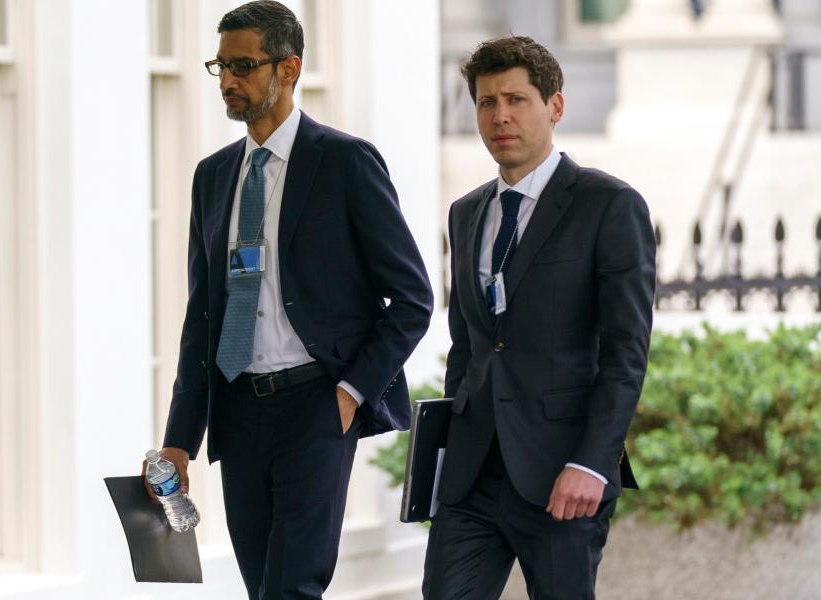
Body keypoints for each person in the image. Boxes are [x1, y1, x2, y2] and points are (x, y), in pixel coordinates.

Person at [144, 2, 433, 599]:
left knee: (293, 587)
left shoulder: (345, 163)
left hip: (316, 405)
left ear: (290, 68)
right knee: (262, 587)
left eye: (244, 66)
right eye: (220, 67)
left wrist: (352, 392)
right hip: (237, 408)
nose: (228, 81)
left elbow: (412, 298)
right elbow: (203, 317)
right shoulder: (213, 176)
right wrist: (179, 438)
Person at [422, 36, 655, 599]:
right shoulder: (466, 212)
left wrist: (593, 465)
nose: (500, 116)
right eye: (485, 102)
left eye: (516, 99)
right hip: (473, 479)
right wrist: (448, 453)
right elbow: (468, 345)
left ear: (554, 106)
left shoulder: (609, 205)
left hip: (562, 476)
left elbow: (626, 352)